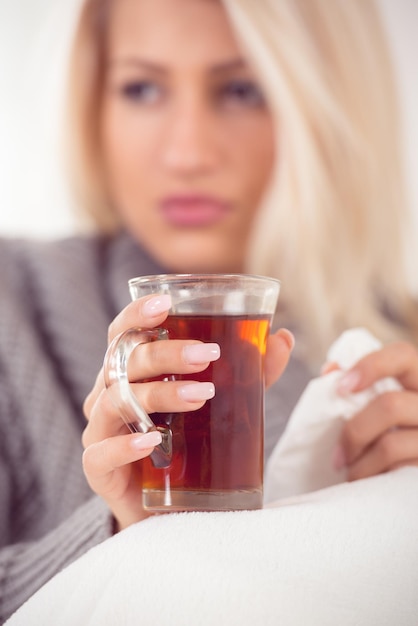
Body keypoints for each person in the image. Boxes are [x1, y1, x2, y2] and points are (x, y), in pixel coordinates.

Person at [1, 0, 418, 621]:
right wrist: (123, 534)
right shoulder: (14, 306)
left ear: (328, 102)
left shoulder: (403, 346)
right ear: (95, 108)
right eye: (141, 88)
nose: (188, 153)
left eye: (242, 89)